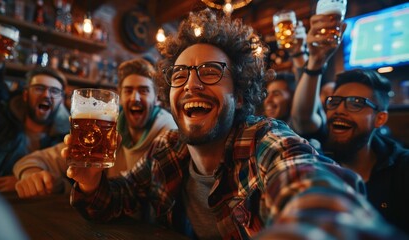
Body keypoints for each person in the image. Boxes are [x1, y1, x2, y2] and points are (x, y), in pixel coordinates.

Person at [62, 9, 404, 239]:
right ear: (170, 95)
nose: (192, 85)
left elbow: (313, 189)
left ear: (240, 95)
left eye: (210, 72)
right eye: (180, 75)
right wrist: (91, 183)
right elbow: (117, 199)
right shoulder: (167, 148)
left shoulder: (265, 141)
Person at [291, 13, 409, 234]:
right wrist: (315, 61)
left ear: (380, 118)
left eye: (356, 103)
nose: (340, 110)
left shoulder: (402, 169)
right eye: (335, 101)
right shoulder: (317, 157)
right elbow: (301, 118)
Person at [13, 58, 177, 198]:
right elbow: (36, 160)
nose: (135, 98)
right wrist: (31, 174)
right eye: (128, 91)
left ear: (157, 99)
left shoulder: (168, 135)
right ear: (119, 98)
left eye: (144, 90)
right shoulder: (106, 131)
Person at [0, 56, 69, 192]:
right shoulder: (0, 121)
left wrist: (26, 180)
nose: (46, 95)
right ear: (25, 95)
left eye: (54, 91)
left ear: (61, 100)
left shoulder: (67, 140)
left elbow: (72, 185)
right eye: (39, 88)